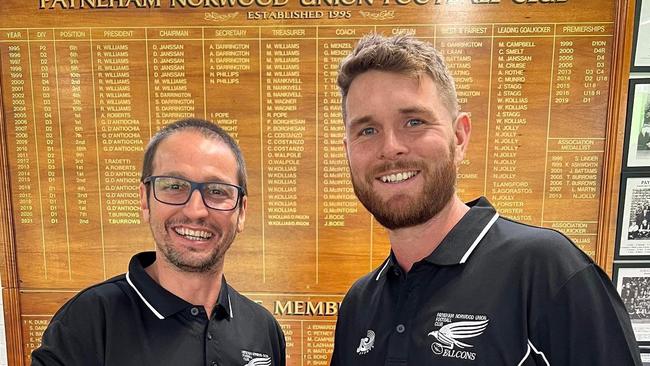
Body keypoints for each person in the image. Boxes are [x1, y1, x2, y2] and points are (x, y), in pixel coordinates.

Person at [330, 34, 641, 365]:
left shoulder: (547, 272)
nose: (390, 147)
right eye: (367, 130)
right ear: (348, 152)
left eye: (414, 122)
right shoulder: (359, 305)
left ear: (460, 136)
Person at [31, 118, 286, 366]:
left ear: (241, 212)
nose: (195, 210)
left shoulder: (263, 329)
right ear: (145, 200)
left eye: (217, 191)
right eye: (174, 186)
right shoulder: (88, 322)